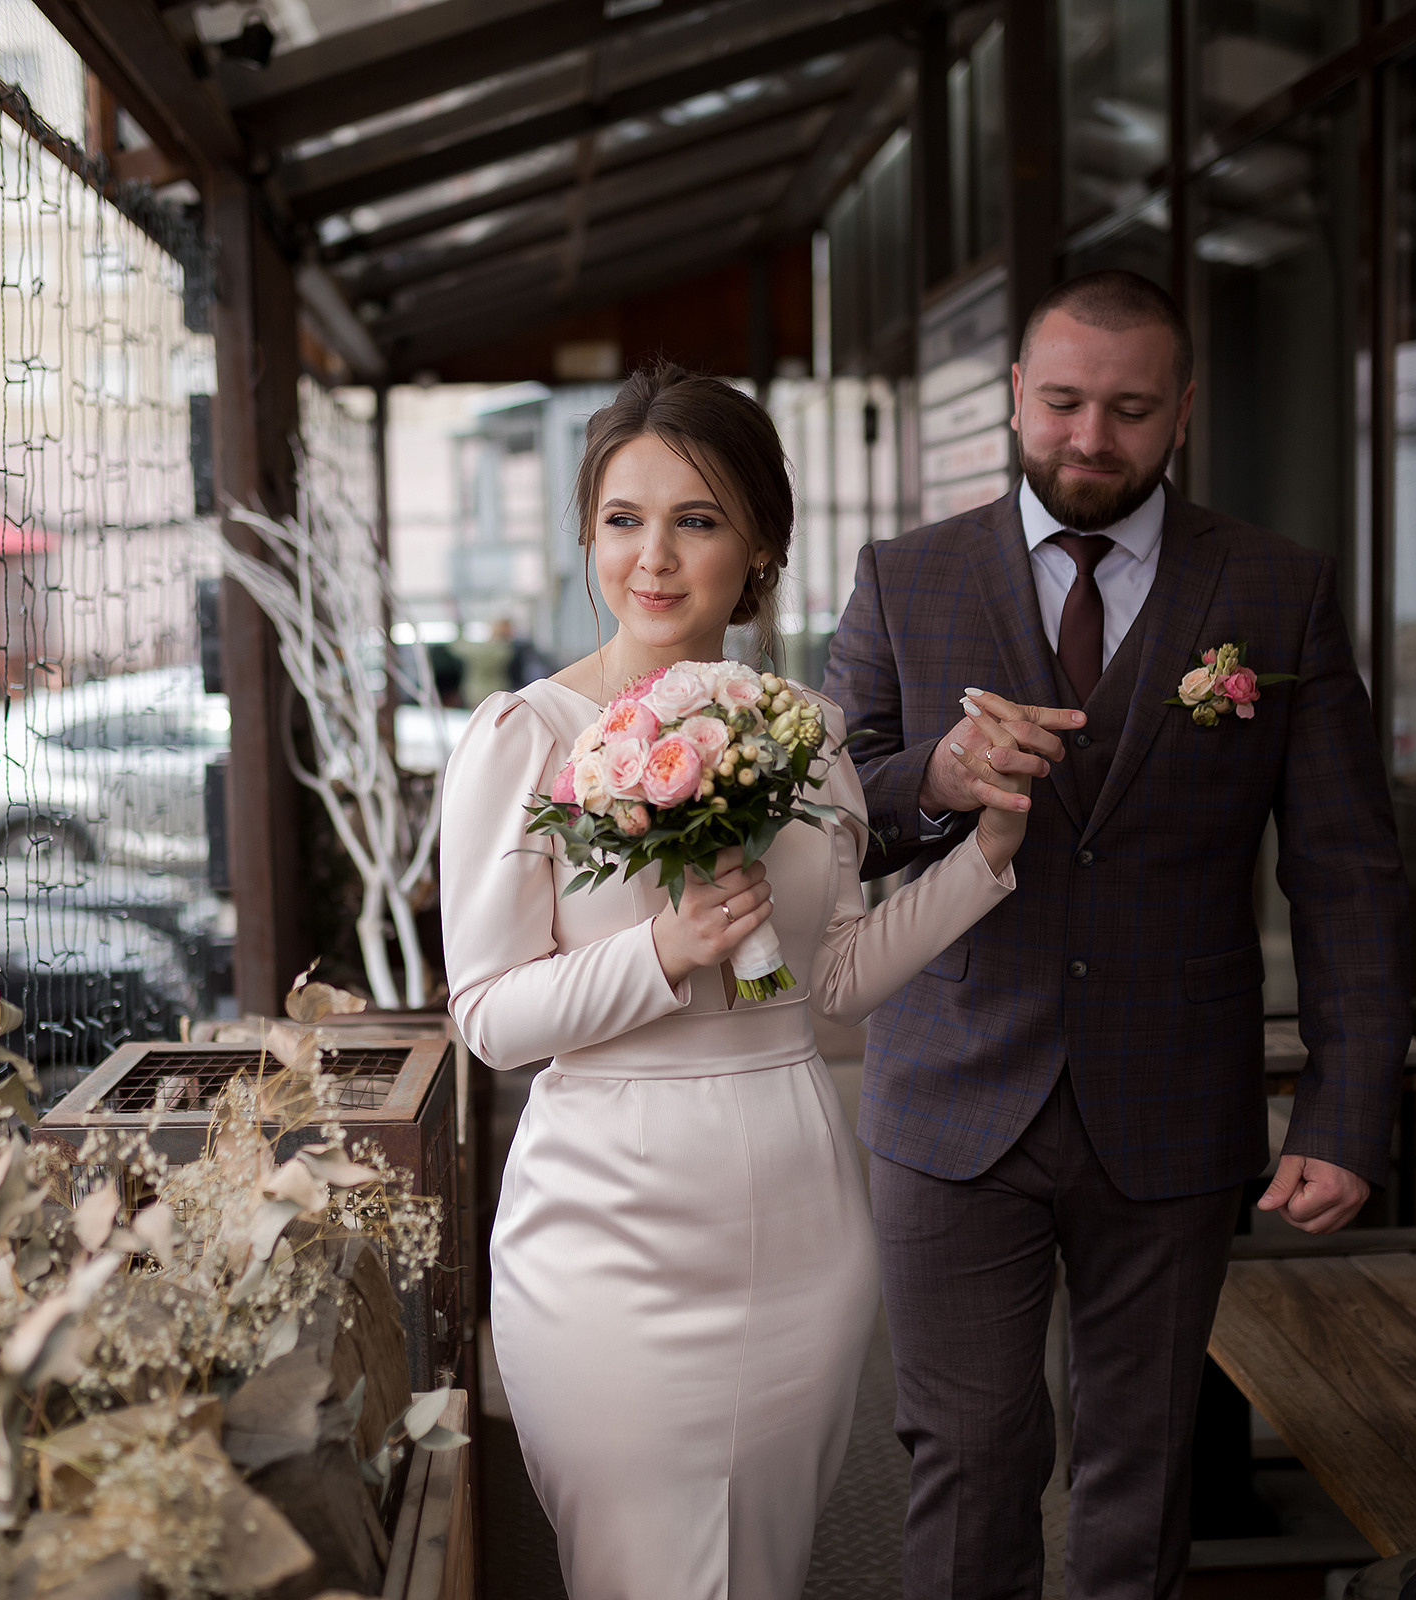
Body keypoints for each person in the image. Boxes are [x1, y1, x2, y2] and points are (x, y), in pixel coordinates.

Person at [439, 362, 1078, 1600]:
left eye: (699, 518)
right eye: (625, 519)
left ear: (760, 547)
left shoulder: (812, 733)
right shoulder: (528, 736)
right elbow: (489, 1019)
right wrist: (658, 955)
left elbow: (834, 980)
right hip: (604, 1222)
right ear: (587, 534)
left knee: (766, 1566)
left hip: (796, 1214)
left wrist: (984, 859)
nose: (656, 558)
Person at [823, 269, 1410, 1600]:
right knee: (968, 1454)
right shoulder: (902, 579)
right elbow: (829, 815)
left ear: (1183, 413)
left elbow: (1348, 872)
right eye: (1068, 402)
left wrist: (1344, 1109)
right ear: (1017, 397)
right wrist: (942, 779)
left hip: (1176, 1096)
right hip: (952, 1090)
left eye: (1132, 409)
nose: (1093, 438)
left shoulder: (1279, 589)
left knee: (1141, 1468)